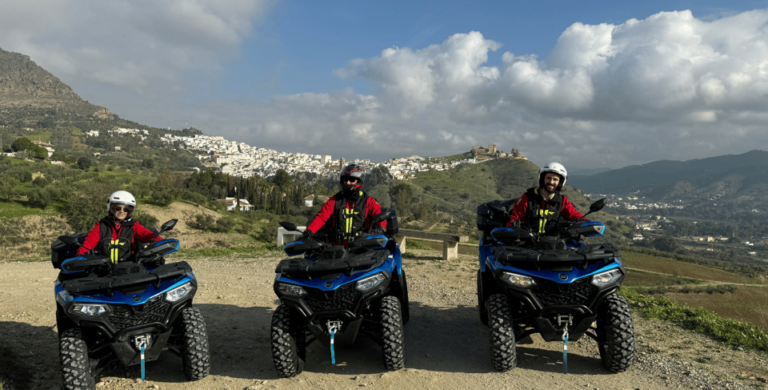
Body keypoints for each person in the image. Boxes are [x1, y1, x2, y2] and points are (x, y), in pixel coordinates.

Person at [301, 164, 387, 246]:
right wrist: (309, 232)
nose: (348, 183)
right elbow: (322, 217)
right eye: (345, 180)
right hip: (336, 249)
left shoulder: (368, 201)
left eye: (352, 180)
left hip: (362, 247)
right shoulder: (334, 200)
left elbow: (379, 215)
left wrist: (380, 227)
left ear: (359, 181)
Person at [77, 190, 161, 263]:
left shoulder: (134, 226)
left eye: (127, 209)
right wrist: (79, 257)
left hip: (129, 269)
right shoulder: (101, 226)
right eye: (118, 208)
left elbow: (145, 234)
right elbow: (88, 244)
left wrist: (161, 242)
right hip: (103, 270)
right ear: (111, 208)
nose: (122, 211)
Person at [505, 162, 584, 236]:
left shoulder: (562, 201)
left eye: (555, 179)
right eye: (548, 178)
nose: (551, 182)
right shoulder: (528, 197)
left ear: (560, 182)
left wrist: (584, 222)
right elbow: (514, 217)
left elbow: (574, 215)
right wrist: (513, 230)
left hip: (553, 245)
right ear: (542, 179)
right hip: (528, 244)